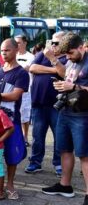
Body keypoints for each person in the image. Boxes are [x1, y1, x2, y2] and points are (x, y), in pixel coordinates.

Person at [42, 33, 88, 203]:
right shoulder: (71, 61)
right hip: (65, 110)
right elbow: (65, 74)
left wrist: (75, 86)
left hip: (83, 115)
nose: (68, 57)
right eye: (66, 54)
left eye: (70, 53)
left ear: (81, 47)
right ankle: (65, 185)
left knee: (84, 155)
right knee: (64, 149)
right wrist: (62, 83)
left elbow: (75, 84)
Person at [0, 38, 29, 200]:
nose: (3, 52)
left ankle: (9, 184)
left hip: (11, 122)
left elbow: (15, 95)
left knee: (11, 155)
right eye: (2, 50)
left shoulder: (22, 73)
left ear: (16, 50)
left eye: (7, 50)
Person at [25, 31, 67, 177]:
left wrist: (53, 60)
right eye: (52, 42)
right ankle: (35, 162)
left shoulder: (68, 58)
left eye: (57, 43)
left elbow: (65, 73)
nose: (53, 45)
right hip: (39, 103)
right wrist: (54, 69)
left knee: (59, 136)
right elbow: (32, 68)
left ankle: (59, 164)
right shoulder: (43, 54)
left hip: (58, 105)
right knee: (37, 136)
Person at [15, 35, 35, 146]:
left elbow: (29, 68)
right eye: (15, 43)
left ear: (25, 43)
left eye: (19, 42)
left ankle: (25, 137)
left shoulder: (31, 56)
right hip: (13, 88)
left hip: (26, 89)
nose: (17, 45)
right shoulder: (13, 54)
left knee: (25, 114)